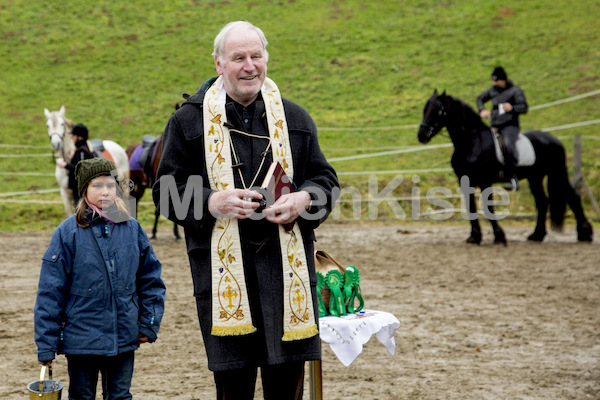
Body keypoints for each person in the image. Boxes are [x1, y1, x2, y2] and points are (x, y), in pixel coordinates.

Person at [152, 21, 339, 400]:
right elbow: (164, 192)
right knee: (233, 391)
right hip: (225, 283)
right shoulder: (188, 121)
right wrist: (209, 201)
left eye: (256, 56)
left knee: (287, 390)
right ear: (219, 64)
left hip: (289, 284)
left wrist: (304, 199)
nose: (250, 65)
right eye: (239, 58)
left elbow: (325, 180)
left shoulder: (295, 118)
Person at [34, 158, 166, 400]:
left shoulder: (132, 228)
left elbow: (151, 279)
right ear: (85, 189)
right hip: (81, 339)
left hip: (124, 335)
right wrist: (46, 344)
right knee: (82, 396)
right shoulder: (66, 233)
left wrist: (149, 323)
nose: (105, 191)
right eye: (97, 185)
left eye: (110, 184)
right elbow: (50, 292)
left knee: (120, 396)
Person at [476, 66, 528, 191]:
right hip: (495, 125)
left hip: (510, 126)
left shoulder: (515, 91)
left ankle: (513, 178)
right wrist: (482, 109)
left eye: (497, 80)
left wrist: (512, 108)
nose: (494, 83)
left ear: (504, 79)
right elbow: (480, 98)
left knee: (508, 144)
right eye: (493, 81)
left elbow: (524, 107)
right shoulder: (493, 90)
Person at [56, 123, 95, 206]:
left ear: (79, 137)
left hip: (80, 190)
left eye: (73, 135)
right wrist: (73, 158)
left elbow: (81, 169)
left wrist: (65, 165)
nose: (72, 137)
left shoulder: (82, 151)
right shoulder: (82, 150)